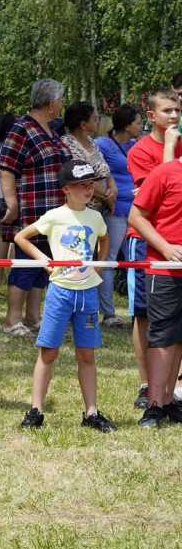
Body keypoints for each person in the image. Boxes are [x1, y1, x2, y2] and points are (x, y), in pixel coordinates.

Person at [16, 160, 116, 432]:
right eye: (82, 185)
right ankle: (35, 410)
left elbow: (104, 239)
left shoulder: (95, 218)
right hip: (60, 292)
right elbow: (21, 237)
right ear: (66, 189)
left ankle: (92, 412)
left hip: (87, 294)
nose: (88, 189)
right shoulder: (54, 216)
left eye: (90, 184)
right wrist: (44, 260)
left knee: (87, 354)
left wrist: (100, 264)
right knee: (48, 352)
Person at [123, 89, 182, 410]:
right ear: (151, 116)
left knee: (176, 321)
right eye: (167, 111)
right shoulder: (141, 150)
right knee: (144, 315)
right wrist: (170, 148)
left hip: (178, 243)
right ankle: (147, 384)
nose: (174, 117)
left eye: (177, 111)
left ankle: (172, 389)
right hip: (144, 241)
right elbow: (158, 190)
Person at [0, 79, 71, 336]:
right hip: (31, 210)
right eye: (61, 99)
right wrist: (12, 204)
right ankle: (12, 319)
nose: (62, 104)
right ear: (52, 104)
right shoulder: (22, 128)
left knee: (44, 265)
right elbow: (6, 167)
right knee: (25, 265)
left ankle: (32, 316)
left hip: (54, 211)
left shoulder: (49, 129)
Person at [94, 105, 142, 330]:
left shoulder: (136, 145)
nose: (140, 127)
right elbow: (97, 173)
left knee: (135, 261)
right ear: (126, 124)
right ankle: (108, 313)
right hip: (114, 211)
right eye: (138, 122)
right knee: (109, 259)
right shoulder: (102, 145)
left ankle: (138, 313)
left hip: (136, 211)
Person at [61, 102, 115, 219]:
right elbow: (82, 177)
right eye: (95, 119)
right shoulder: (67, 144)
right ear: (83, 125)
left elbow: (105, 170)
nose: (98, 122)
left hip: (99, 211)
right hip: (82, 212)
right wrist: (107, 197)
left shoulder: (91, 141)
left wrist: (113, 189)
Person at [0, 112, 17, 284]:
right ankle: (13, 280)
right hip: (10, 196)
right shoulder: (14, 146)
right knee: (16, 238)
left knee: (1, 236)